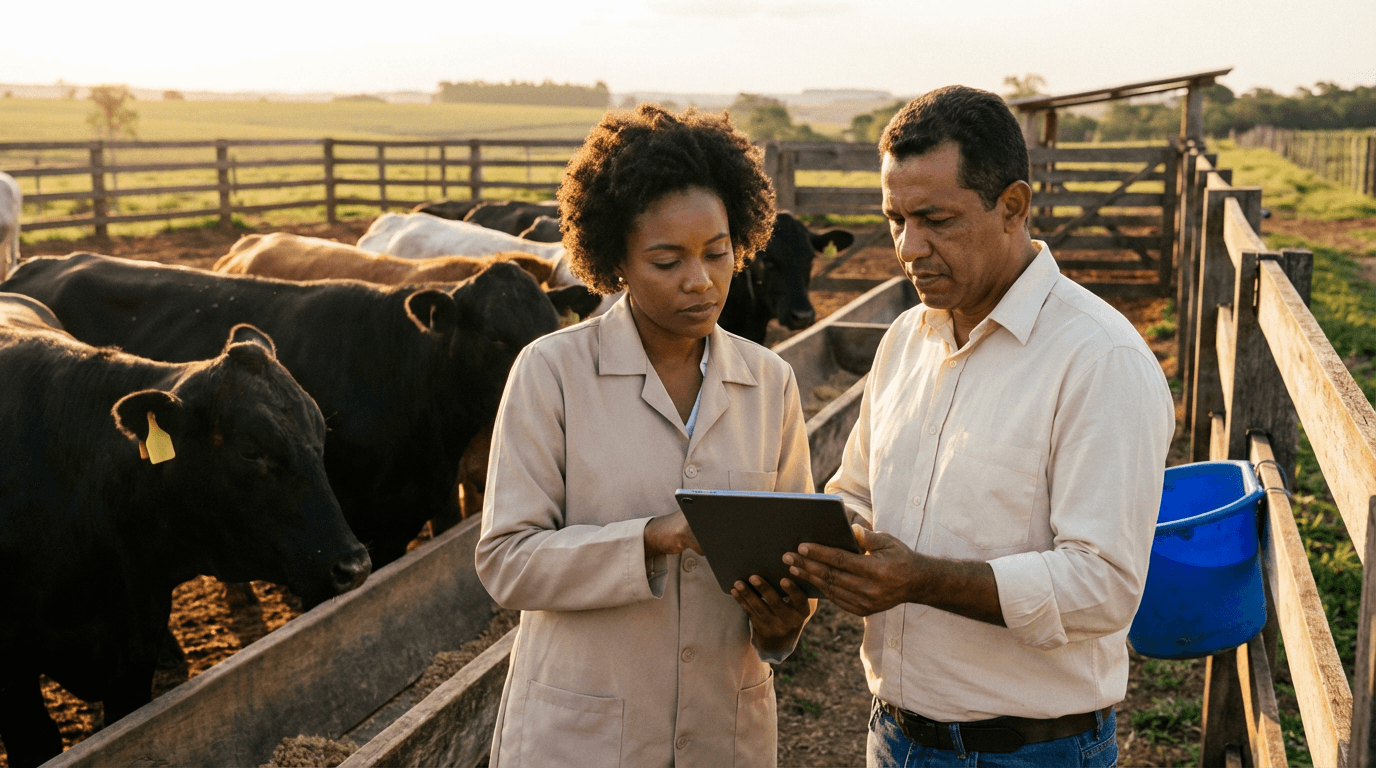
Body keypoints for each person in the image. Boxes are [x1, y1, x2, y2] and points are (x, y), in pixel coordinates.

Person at [783, 85, 1176, 767]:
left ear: (1014, 207)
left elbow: (1104, 586)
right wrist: (815, 547)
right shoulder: (905, 338)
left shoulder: (1099, 359)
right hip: (894, 735)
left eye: (935, 219)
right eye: (895, 219)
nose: (909, 247)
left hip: (1028, 751)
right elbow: (856, 493)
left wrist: (921, 580)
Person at [475, 104, 816, 768]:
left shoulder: (769, 382)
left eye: (718, 253)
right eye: (668, 260)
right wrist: (653, 537)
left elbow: (788, 556)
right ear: (615, 262)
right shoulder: (553, 374)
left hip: (725, 733)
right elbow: (507, 564)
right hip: (583, 736)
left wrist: (783, 624)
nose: (702, 279)